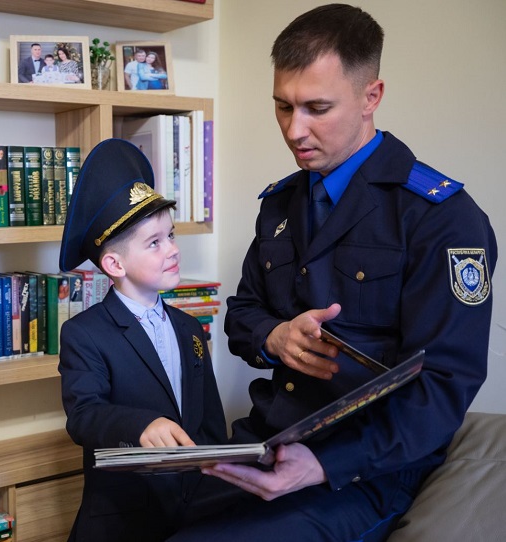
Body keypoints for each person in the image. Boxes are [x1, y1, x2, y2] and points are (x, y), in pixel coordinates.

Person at [169, 4, 497, 541]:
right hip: (269, 441)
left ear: (372, 97)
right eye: (282, 107)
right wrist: (275, 337)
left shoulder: (442, 219)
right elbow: (242, 314)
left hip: (365, 469)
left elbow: (443, 386)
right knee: (133, 514)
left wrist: (323, 465)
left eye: (317, 108)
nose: (294, 130)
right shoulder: (281, 203)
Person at [58, 138, 230, 541]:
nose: (172, 250)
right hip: (122, 523)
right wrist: (141, 424)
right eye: (154, 243)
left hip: (194, 514)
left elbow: (209, 421)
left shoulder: (189, 327)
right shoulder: (85, 333)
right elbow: (84, 415)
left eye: (171, 235)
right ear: (114, 264)